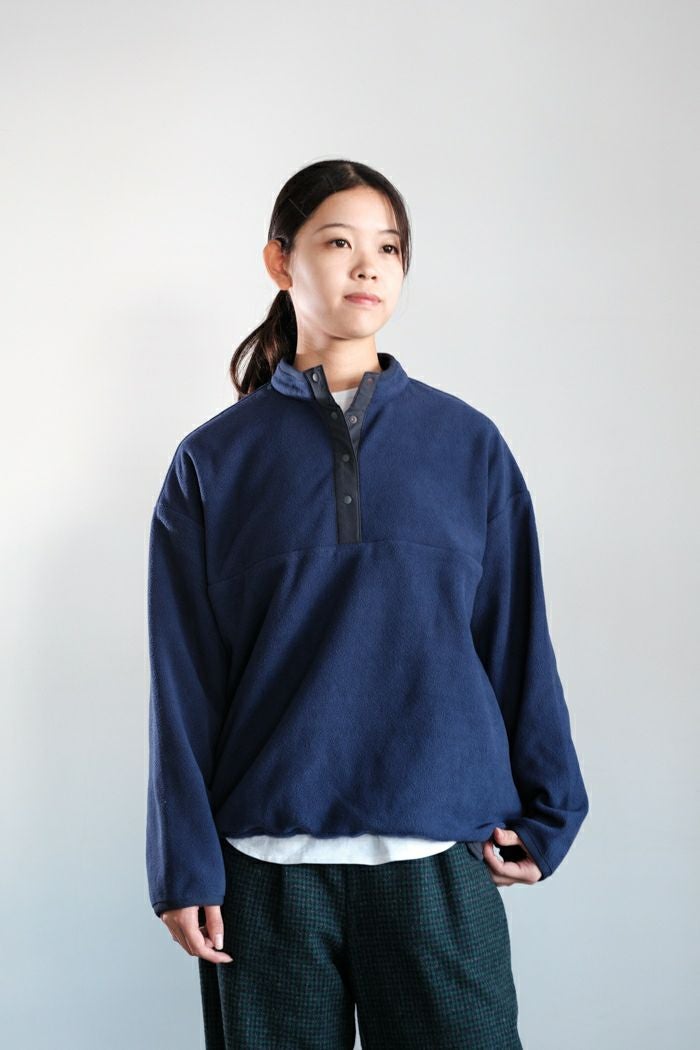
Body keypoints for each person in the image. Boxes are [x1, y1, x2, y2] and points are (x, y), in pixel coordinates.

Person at [145, 158, 589, 1049]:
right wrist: (181, 860)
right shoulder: (213, 462)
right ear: (281, 261)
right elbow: (182, 679)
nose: (368, 266)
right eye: (338, 242)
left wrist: (552, 810)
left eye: (388, 248)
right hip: (265, 875)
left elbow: (515, 638)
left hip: (438, 858)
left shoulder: (468, 445)